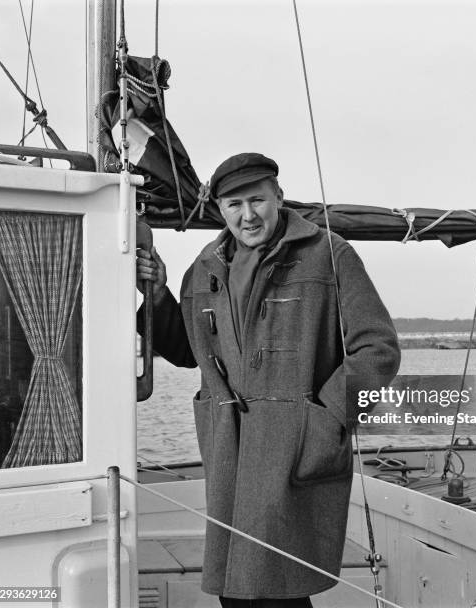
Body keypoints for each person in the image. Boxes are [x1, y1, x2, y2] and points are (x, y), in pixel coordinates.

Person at [137, 152, 401, 607]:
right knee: (236, 593)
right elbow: (186, 353)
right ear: (219, 209)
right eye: (234, 204)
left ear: (278, 196)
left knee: (280, 591)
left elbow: (378, 349)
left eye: (256, 200)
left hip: (294, 447)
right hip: (229, 453)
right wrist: (158, 295)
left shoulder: (330, 254)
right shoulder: (203, 268)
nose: (248, 215)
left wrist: (326, 418)